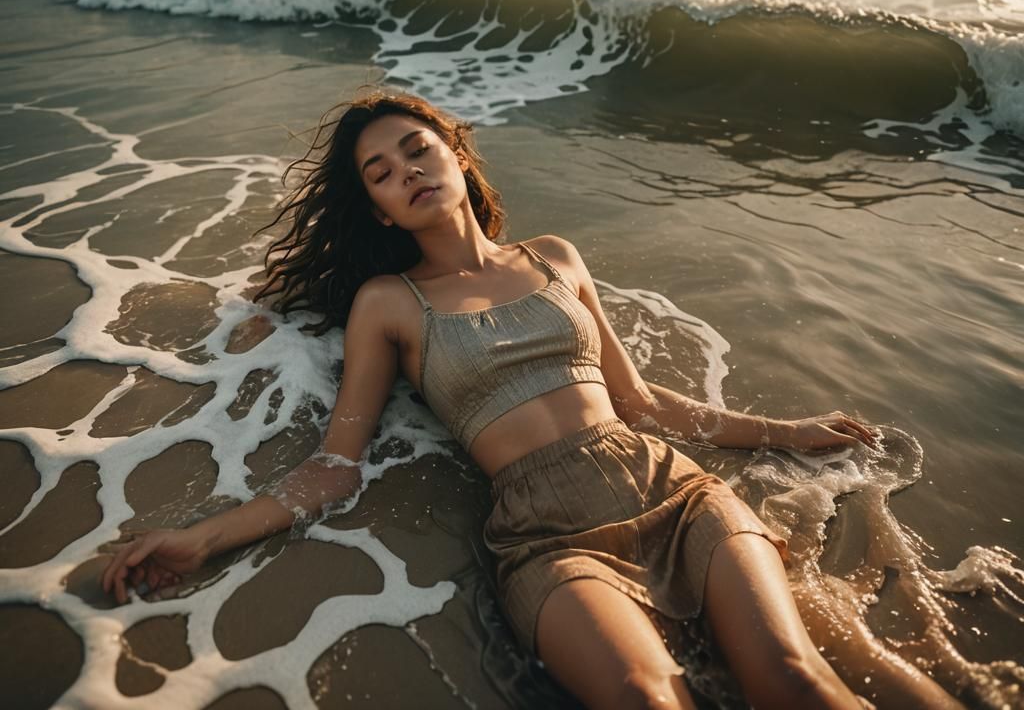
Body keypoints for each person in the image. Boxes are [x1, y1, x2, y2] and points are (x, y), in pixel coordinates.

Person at [102, 90, 964, 710]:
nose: (406, 171)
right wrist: (201, 537)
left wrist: (789, 431)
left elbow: (641, 400)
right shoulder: (389, 304)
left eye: (416, 149)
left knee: (790, 677)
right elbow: (333, 470)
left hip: (674, 490)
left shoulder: (555, 255)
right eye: (380, 173)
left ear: (457, 154)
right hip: (548, 538)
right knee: (644, 696)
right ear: (380, 211)